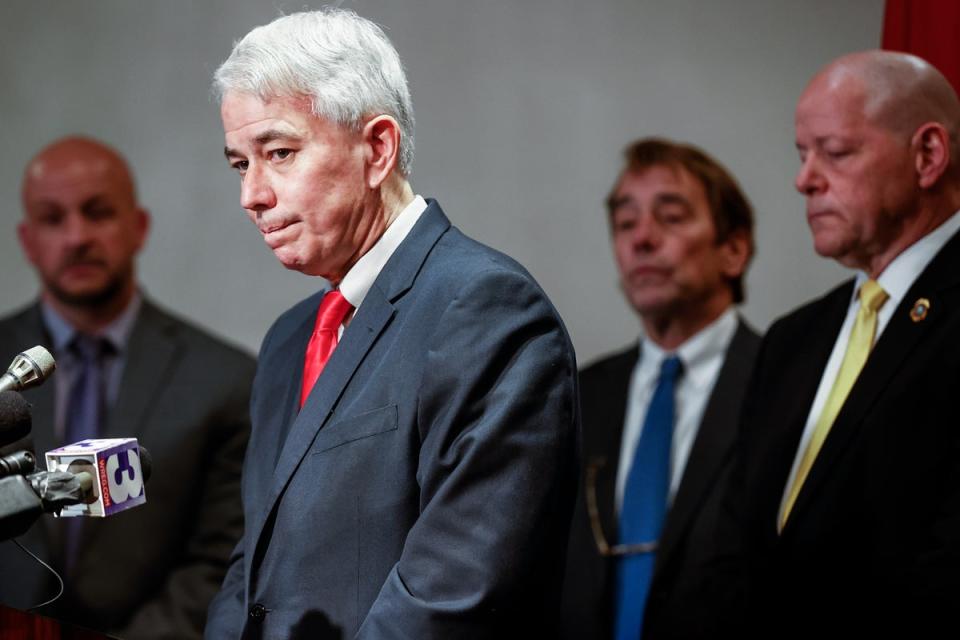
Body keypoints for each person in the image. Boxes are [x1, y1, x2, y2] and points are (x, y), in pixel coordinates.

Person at [204, 8, 579, 639]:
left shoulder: (488, 310)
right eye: (242, 164)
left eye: (279, 152)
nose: (253, 195)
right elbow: (253, 566)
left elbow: (457, 589)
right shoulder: (288, 340)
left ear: (377, 149)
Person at [711, 50, 960, 637]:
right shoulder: (792, 339)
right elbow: (733, 549)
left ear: (927, 155)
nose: (804, 179)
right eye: (802, 155)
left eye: (837, 152)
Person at [0, 136, 255, 639]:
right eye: (53, 219)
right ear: (27, 240)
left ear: (138, 228)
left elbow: (222, 560)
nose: (76, 236)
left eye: (98, 213)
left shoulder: (225, 379)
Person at [559, 138, 759, 639]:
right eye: (626, 224)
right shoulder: (579, 395)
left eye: (670, 217)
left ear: (733, 250)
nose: (641, 239)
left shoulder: (782, 381)